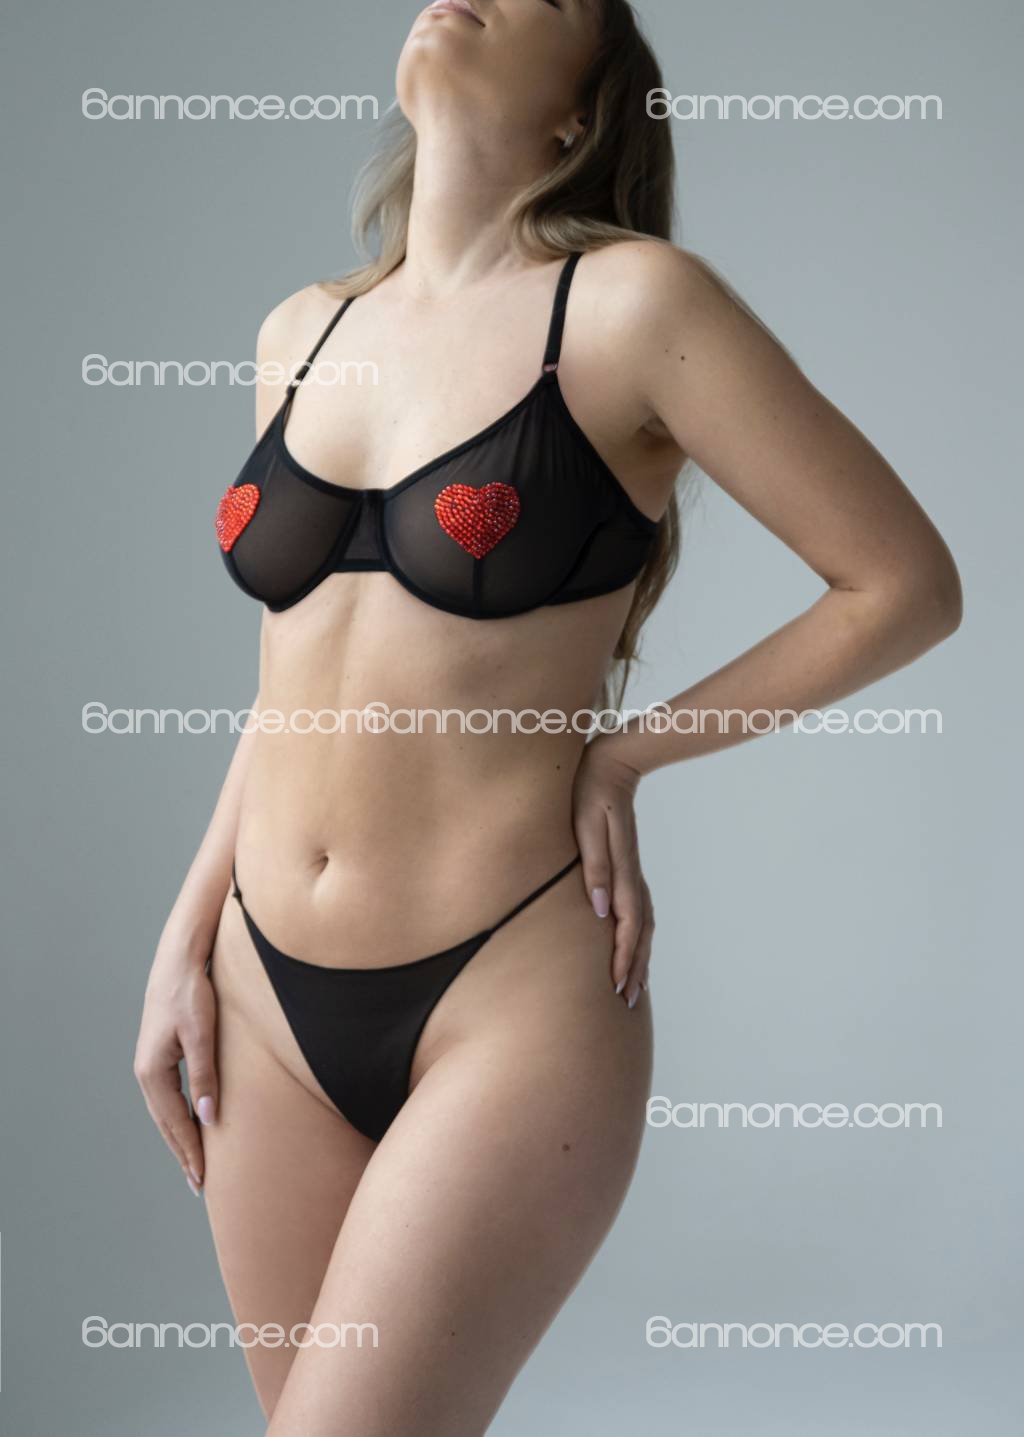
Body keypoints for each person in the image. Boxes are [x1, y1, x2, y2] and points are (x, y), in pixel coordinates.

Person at [134, 2, 962, 1432]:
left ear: (584, 111)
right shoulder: (301, 331)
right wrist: (184, 934)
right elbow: (291, 681)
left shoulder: (636, 307)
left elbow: (905, 585)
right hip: (261, 997)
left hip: (499, 999)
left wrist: (630, 752)